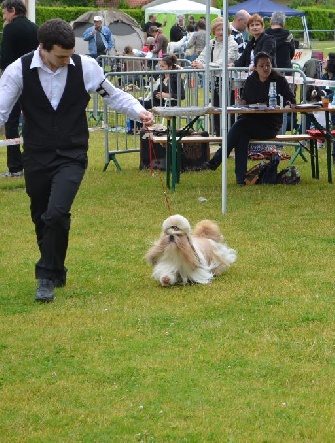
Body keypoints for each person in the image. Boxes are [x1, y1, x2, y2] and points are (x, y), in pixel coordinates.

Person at [0, 18, 154, 302]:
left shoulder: (86, 67)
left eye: (69, 55)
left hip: (72, 154)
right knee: (42, 216)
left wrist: (139, 111)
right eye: (60, 56)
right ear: (42, 48)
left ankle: (45, 276)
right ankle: (57, 269)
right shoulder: (17, 70)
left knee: (56, 212)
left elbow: (115, 96)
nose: (66, 61)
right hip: (36, 154)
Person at [199, 52, 295, 184]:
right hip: (251, 121)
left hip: (270, 125)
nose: (266, 68)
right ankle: (241, 178)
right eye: (261, 66)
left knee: (240, 125)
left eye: (268, 65)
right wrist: (242, 102)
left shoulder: (279, 80)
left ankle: (217, 159)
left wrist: (289, 103)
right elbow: (245, 100)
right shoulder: (251, 80)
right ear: (255, 67)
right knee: (242, 136)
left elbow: (291, 98)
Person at [0, 0, 38, 179]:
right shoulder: (36, 27)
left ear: (12, 11)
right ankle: (33, 161)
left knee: (11, 122)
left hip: (15, 81)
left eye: (4, 14)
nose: (4, 18)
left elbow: (5, 58)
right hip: (35, 80)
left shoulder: (9, 29)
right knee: (34, 120)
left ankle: (15, 167)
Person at [191, 17, 238, 136]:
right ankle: (218, 136)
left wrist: (205, 66)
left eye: (223, 29)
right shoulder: (211, 43)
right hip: (215, 80)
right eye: (218, 29)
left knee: (229, 109)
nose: (221, 32)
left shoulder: (232, 44)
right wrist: (196, 63)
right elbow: (203, 56)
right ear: (214, 31)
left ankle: (230, 137)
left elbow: (224, 62)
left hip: (229, 81)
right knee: (216, 108)